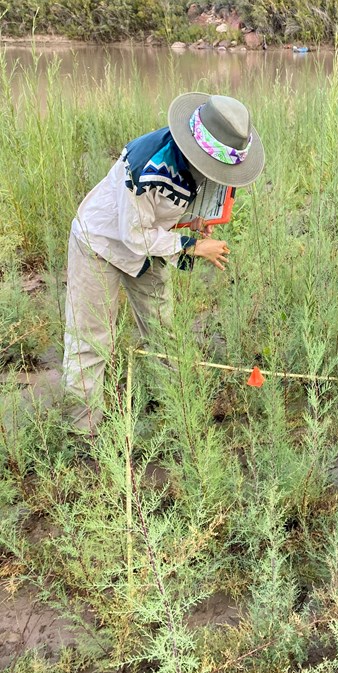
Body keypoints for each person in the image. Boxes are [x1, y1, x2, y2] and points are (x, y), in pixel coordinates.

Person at [62, 92, 265, 437]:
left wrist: (194, 221)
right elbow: (133, 236)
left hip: (153, 243)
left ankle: (175, 410)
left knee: (162, 331)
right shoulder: (147, 167)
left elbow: (180, 206)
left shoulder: (203, 165)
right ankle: (84, 432)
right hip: (100, 242)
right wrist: (193, 246)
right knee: (93, 339)